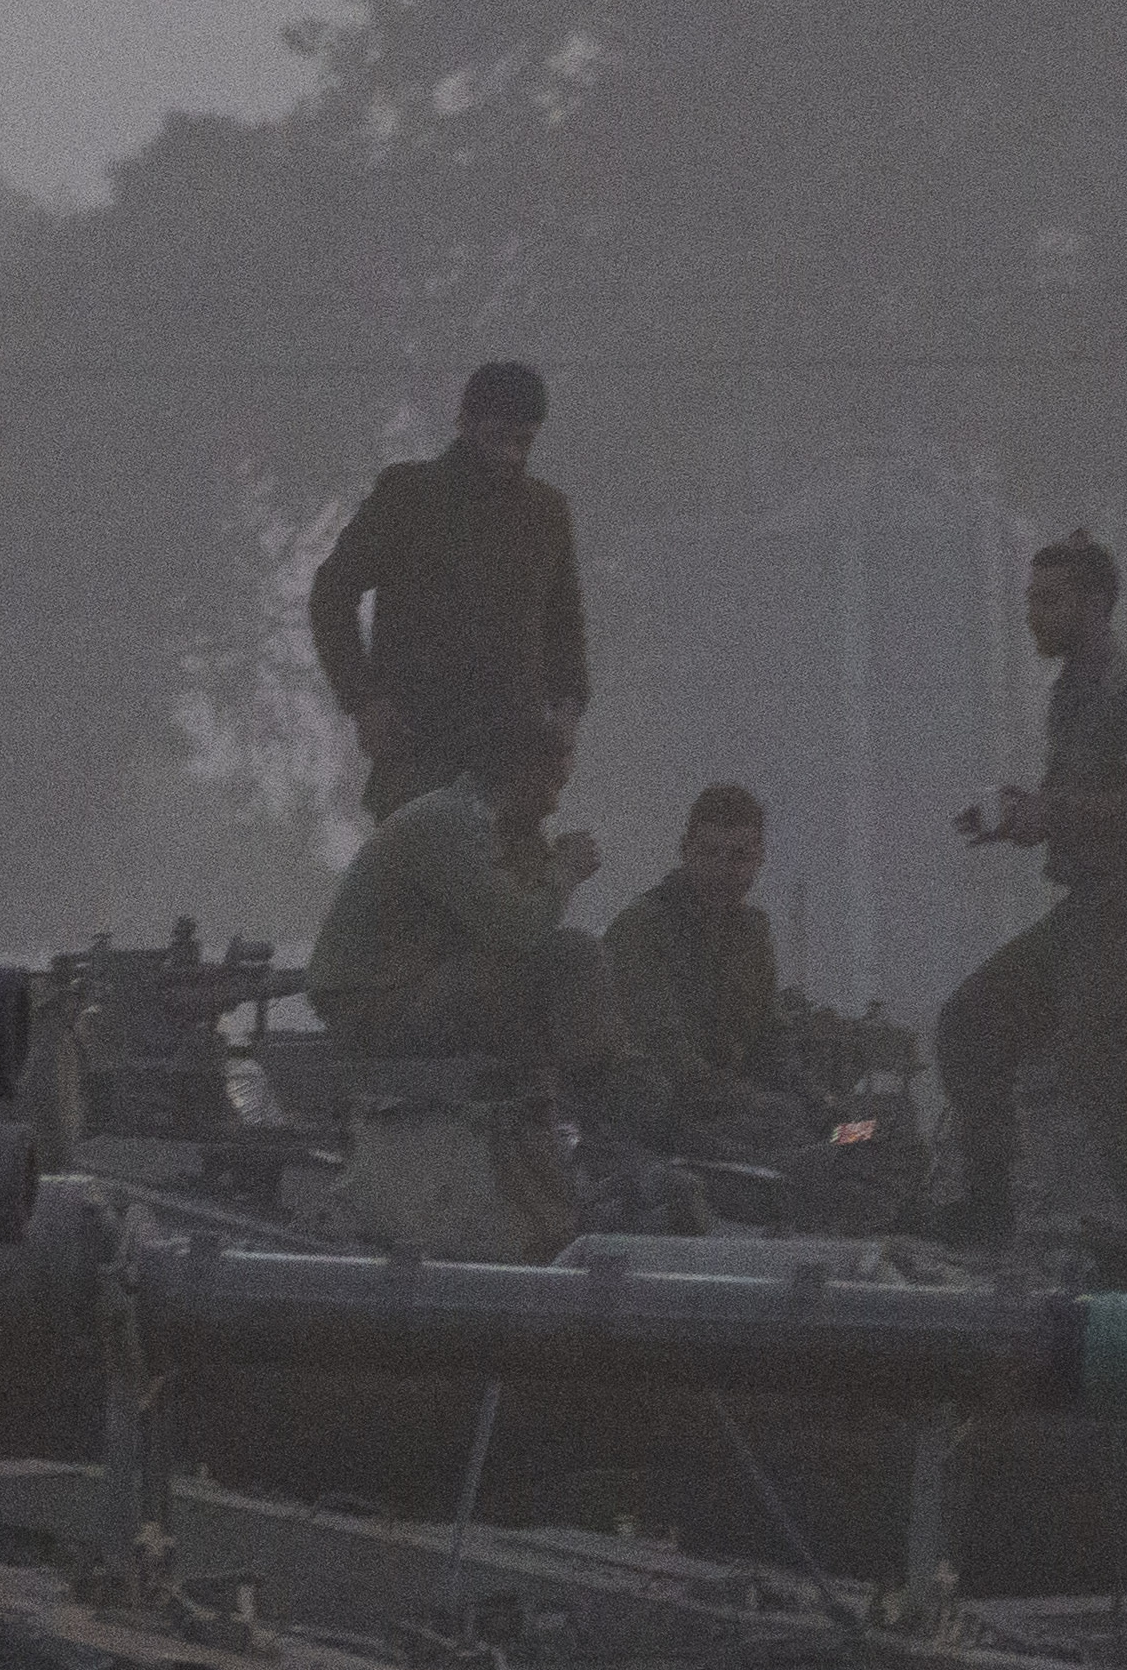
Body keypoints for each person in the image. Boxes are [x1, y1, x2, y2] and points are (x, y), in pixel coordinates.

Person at [933, 531, 1127, 1234]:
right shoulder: (1070, 699)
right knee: (970, 1028)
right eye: (1029, 600)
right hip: (1086, 911)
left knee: (1115, 1086)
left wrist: (1052, 812)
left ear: (1096, 604)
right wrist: (1020, 814)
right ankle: (988, 1208)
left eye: (1049, 600)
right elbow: (1072, 807)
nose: (1032, 616)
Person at [307, 360, 590, 820]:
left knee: (507, 890)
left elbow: (564, 630)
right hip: (419, 753)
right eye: (499, 437)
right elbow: (332, 594)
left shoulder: (546, 514)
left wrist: (566, 717)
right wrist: (364, 703)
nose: (511, 456)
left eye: (524, 441)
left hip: (512, 766)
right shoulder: (409, 497)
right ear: (466, 422)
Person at [305, 723, 630, 1104]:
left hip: (407, 996)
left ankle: (555, 1106)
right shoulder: (449, 821)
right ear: (517, 767)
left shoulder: (496, 829)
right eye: (553, 771)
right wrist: (563, 872)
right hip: (369, 1011)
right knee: (570, 955)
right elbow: (518, 930)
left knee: (558, 976)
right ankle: (591, 1110)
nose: (557, 795)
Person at [607, 779, 807, 1148]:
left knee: (869, 1134)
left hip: (752, 1116)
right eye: (710, 853)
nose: (722, 870)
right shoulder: (641, 928)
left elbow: (772, 1037)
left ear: (758, 858)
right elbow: (661, 1048)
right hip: (675, 1127)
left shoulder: (752, 932)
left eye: (737, 856)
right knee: (793, 1143)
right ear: (686, 851)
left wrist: (810, 1100)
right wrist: (754, 1101)